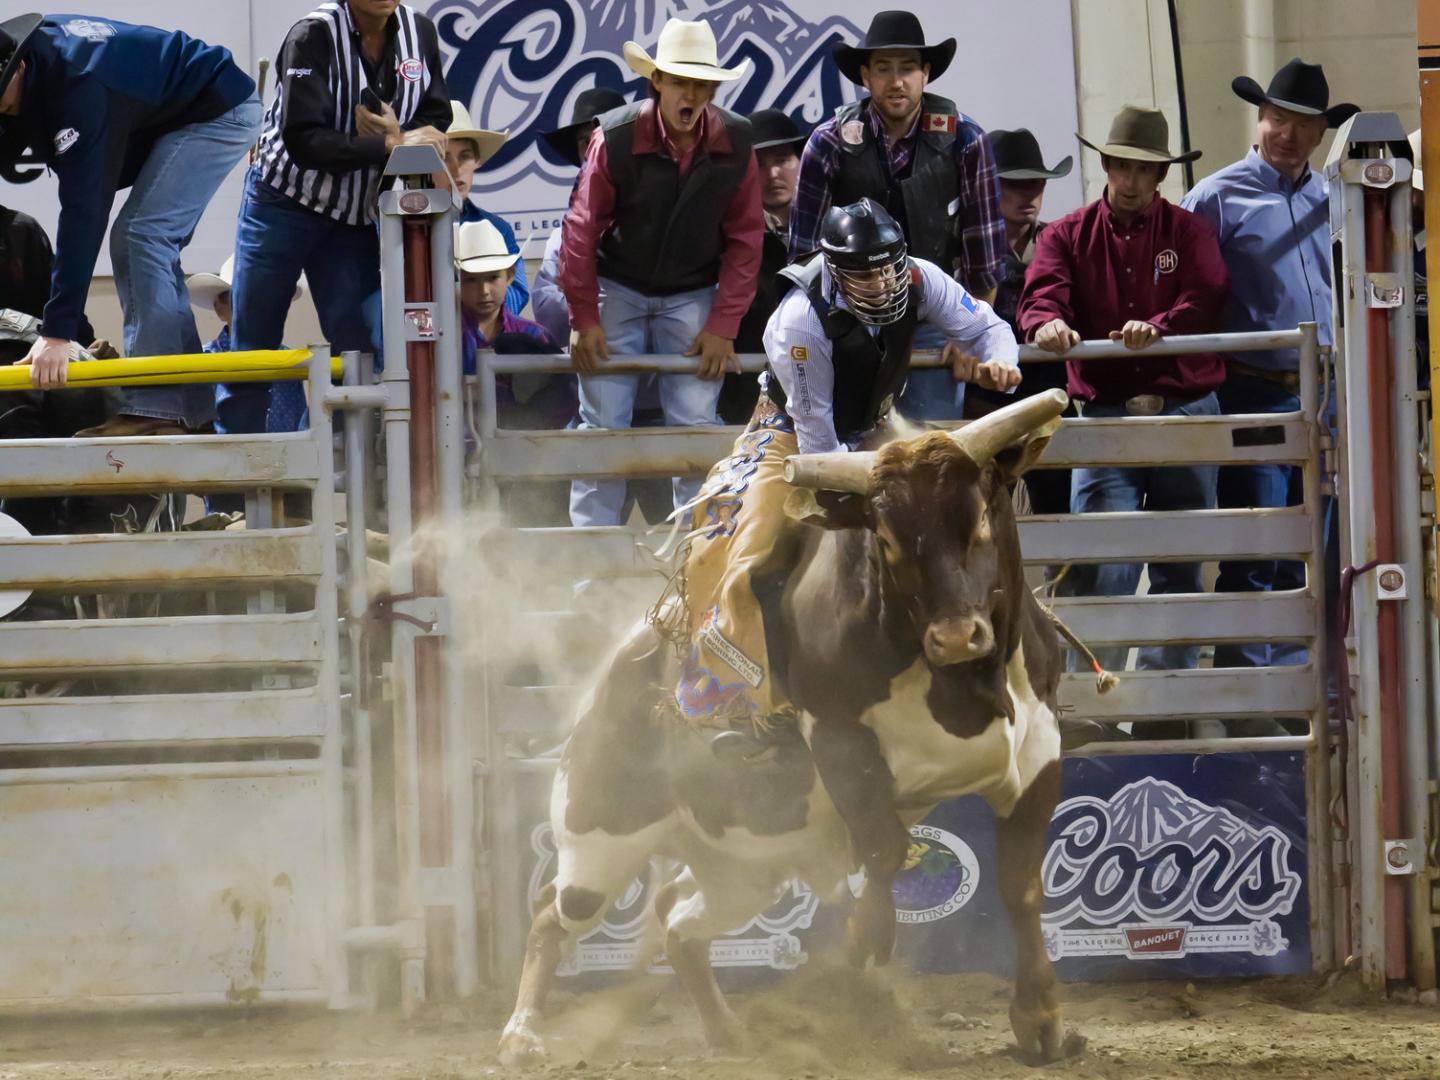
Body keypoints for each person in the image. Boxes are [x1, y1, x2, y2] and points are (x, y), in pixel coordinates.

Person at [675, 198, 1020, 754]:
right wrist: (873, 498)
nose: (883, 284)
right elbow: (818, 439)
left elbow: (988, 325)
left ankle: (1015, 675)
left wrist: (1003, 360)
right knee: (747, 550)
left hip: (876, 429)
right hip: (791, 437)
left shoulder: (919, 277)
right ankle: (735, 703)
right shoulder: (800, 320)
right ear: (836, 270)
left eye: (888, 268)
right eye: (865, 274)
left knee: (961, 508)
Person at [1017, 105, 1228, 694]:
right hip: (1109, 410)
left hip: (1183, 409)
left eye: (1143, 170)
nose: (1131, 180)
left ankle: (1167, 695)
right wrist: (1046, 322)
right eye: (1123, 167)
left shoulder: (1188, 232)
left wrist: (1159, 325)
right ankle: (1094, 701)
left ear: (1160, 175)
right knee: (1101, 563)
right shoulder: (1067, 235)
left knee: (1179, 561)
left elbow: (1207, 295)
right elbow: (1041, 294)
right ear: (1107, 166)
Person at [0, 13, 259, 435]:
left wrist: (58, 333)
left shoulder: (78, 89)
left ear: (19, 66)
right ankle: (191, 413)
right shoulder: (36, 65)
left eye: (2, 99)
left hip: (217, 110)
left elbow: (84, 214)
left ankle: (159, 410)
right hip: (171, 110)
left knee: (140, 236)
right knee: (145, 240)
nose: (4, 112)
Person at [1181, 59, 1358, 676]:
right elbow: (1186, 297)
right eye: (1278, 118)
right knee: (1257, 544)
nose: (1288, 133)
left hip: (1325, 396)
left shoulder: (1335, 200)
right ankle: (1247, 687)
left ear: (1320, 134)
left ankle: (1294, 684)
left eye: (1303, 124)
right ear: (1259, 118)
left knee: (1313, 547)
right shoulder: (1214, 198)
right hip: (1252, 390)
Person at [559, 18, 763, 527]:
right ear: (657, 82)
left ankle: (698, 557)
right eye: (679, 81)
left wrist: (723, 325)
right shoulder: (615, 137)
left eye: (700, 83)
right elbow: (580, 229)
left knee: (695, 427)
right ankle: (591, 562)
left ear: (713, 90)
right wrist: (584, 316)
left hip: (692, 291)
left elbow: (746, 237)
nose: (689, 94)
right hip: (618, 286)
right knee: (603, 426)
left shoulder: (737, 142)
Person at [223, 0, 450, 437]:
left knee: (358, 347)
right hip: (281, 203)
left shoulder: (420, 32)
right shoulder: (312, 35)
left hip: (352, 216)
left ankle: (347, 462)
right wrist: (388, 146)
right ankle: (236, 473)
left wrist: (397, 135)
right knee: (253, 342)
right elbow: (304, 141)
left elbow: (436, 117)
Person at [788, 11, 1005, 422]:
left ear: (926, 74)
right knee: (849, 443)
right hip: (850, 320)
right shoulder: (828, 142)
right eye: (884, 68)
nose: (896, 81)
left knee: (930, 445)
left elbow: (985, 252)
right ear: (865, 76)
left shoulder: (965, 139)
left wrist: (969, 331)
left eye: (907, 68)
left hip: (934, 316)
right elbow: (804, 256)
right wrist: (823, 331)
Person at [964, 128, 1074, 518]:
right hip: (984, 405)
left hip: (1049, 403)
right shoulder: (963, 247)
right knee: (979, 517)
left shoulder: (1061, 244)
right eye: (1014, 184)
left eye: (1036, 184)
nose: (1029, 195)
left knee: (1059, 511)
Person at [725, 108, 809, 423]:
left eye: (782, 160)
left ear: (803, 161)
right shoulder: (728, 236)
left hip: (822, 393)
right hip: (746, 398)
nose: (772, 174)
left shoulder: (833, 230)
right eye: (758, 164)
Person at [532, 87, 628, 348]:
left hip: (654, 369)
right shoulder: (561, 239)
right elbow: (550, 320)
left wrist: (580, 293)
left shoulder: (659, 220)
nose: (597, 151)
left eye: (606, 138)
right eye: (587, 142)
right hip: (592, 366)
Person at [445, 100, 529, 315]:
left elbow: (517, 294)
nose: (456, 170)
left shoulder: (498, 229)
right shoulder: (398, 229)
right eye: (444, 158)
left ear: (477, 160)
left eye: (465, 156)